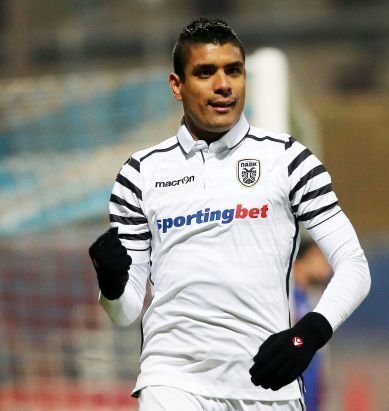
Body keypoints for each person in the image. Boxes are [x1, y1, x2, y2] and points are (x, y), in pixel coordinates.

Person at [88, 17, 370, 411]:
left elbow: (354, 265)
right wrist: (112, 284)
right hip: (172, 381)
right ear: (177, 85)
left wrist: (306, 336)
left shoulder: (288, 159)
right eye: (206, 72)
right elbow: (125, 312)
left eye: (233, 71)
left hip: (268, 384)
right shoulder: (140, 173)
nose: (223, 85)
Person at [291, 238, 333, 411]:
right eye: (319, 256)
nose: (327, 265)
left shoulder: (310, 298)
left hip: (310, 391)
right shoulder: (285, 297)